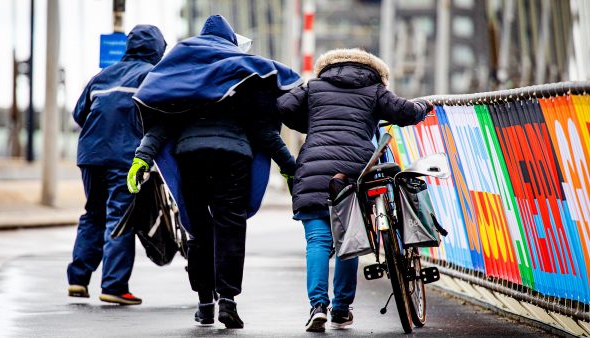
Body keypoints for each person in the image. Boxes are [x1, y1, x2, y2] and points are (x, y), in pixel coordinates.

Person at [126, 15, 301, 328]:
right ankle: (228, 301)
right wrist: (289, 166)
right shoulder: (243, 72)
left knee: (199, 230)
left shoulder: (184, 72)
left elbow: (163, 122)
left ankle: (205, 303)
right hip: (234, 159)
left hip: (191, 157)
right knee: (229, 225)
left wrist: (142, 158)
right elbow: (263, 130)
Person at [277, 48, 433, 332]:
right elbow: (405, 112)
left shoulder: (313, 87)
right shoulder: (374, 89)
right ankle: (341, 309)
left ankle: (317, 307)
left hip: (313, 168)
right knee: (350, 239)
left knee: (318, 241)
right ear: (374, 70)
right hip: (354, 170)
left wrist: (312, 124)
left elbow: (284, 106)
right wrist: (424, 106)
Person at [66, 25, 167, 305]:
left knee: (93, 213)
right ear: (158, 48)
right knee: (120, 216)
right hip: (124, 156)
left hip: (90, 155)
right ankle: (114, 285)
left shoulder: (102, 76)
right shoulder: (152, 76)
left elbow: (79, 113)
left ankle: (77, 280)